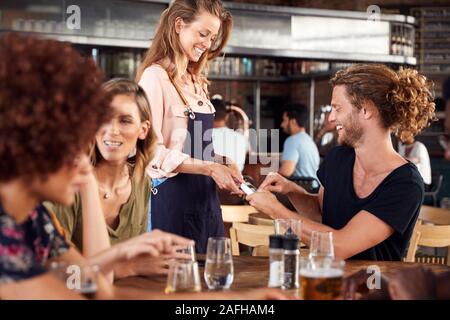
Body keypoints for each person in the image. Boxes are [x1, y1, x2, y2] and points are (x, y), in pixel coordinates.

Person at [0, 33, 287, 301]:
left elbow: (96, 288)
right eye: (75, 140)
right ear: (31, 141)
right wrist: (122, 257)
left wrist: (232, 301)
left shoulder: (33, 220)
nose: (86, 155)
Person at [247, 64, 436, 261]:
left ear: (366, 110)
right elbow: (322, 216)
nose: (331, 117)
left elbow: (339, 246)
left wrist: (275, 210)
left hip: (373, 287)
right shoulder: (338, 158)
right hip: (327, 279)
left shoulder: (405, 183)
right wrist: (291, 190)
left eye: (337, 108)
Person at [136, 0, 244, 253]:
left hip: (206, 204)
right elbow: (150, 151)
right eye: (203, 34)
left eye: (212, 37)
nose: (207, 44)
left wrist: (224, 162)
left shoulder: (197, 82)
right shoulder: (155, 77)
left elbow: (197, 150)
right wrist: (210, 168)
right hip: (171, 203)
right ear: (178, 25)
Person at [46, 78, 176, 278]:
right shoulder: (69, 184)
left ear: (143, 130)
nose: (112, 130)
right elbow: (53, 275)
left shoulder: (141, 182)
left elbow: (136, 258)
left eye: (124, 120)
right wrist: (128, 268)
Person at [279, 105, 320, 181]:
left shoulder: (292, 141)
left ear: (293, 122)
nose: (282, 125)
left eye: (284, 120)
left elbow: (286, 172)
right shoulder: (309, 140)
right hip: (314, 188)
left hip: (301, 189)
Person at [211, 98, 249, 172]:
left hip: (207, 181)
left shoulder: (198, 138)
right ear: (226, 117)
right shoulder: (241, 138)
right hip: (236, 181)